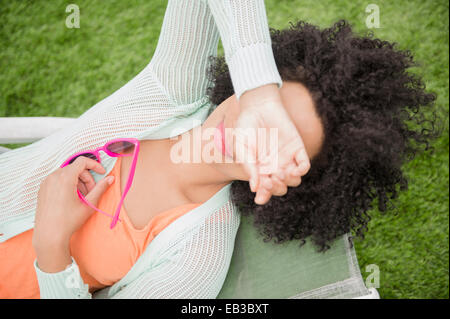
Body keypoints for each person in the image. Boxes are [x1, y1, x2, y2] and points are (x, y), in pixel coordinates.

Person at [0, 0, 440, 299]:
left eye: (278, 143)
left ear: (289, 182)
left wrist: (52, 244)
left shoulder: (197, 261)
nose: (252, 134)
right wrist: (259, 92)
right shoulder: (171, 94)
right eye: (270, 110)